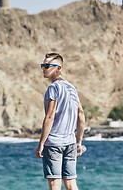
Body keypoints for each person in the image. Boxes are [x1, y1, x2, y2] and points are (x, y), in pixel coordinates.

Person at [35, 52, 85, 190]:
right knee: (71, 184)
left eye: (47, 66)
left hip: (54, 143)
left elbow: (50, 117)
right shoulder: (71, 88)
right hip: (70, 143)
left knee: (54, 184)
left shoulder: (53, 88)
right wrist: (79, 142)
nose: (44, 69)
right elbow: (81, 114)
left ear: (58, 68)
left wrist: (41, 143)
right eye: (42, 65)